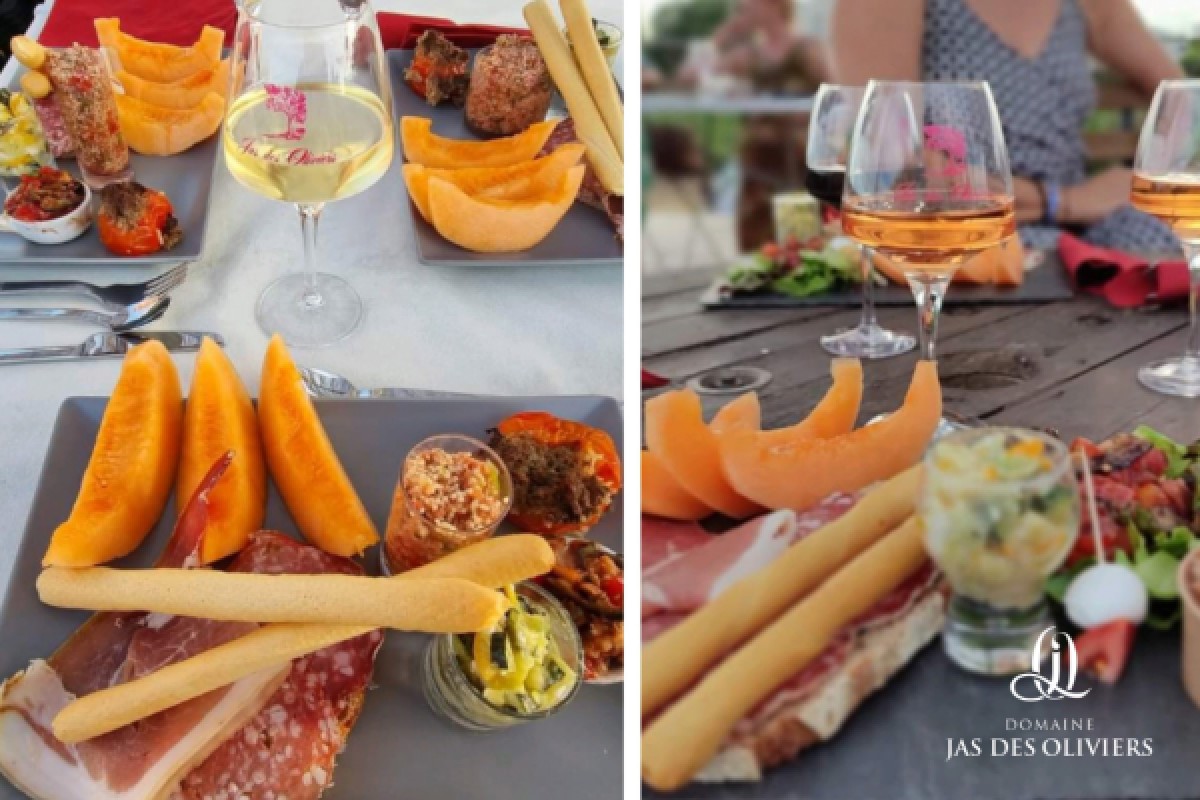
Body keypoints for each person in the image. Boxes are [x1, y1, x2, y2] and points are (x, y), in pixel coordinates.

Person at [830, 0, 1185, 253]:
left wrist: (1145, 176)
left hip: (1083, 222)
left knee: (1172, 243)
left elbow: (1182, 98)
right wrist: (1063, 201)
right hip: (962, 228)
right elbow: (887, 163)